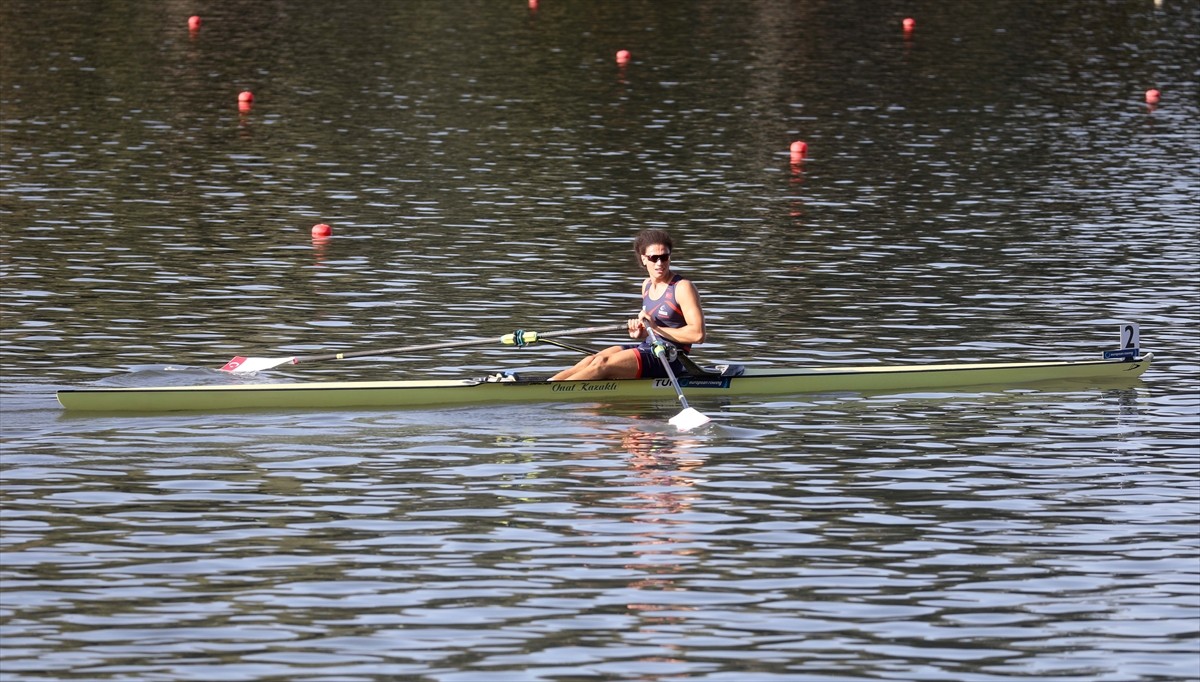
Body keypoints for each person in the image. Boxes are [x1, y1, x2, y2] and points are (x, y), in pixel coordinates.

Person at [550, 229, 705, 381]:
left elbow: (698, 335)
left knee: (603, 365)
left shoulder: (682, 287)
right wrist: (641, 332)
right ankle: (548, 385)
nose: (659, 263)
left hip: (671, 358)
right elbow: (652, 331)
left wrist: (655, 328)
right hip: (649, 347)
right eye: (654, 258)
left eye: (664, 257)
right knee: (593, 359)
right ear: (644, 259)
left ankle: (553, 394)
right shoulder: (646, 285)